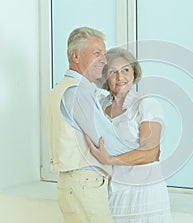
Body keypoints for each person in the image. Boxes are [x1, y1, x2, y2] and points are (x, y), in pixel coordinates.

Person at [46, 27, 159, 223]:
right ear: (76, 56)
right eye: (97, 53)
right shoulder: (78, 92)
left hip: (77, 184)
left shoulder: (63, 88)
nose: (104, 61)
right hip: (84, 183)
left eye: (104, 54)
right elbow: (105, 142)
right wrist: (146, 153)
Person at [86, 47, 173, 222]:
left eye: (125, 70)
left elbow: (151, 152)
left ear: (134, 73)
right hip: (114, 190)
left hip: (144, 193)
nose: (120, 77)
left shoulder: (146, 104)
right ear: (105, 77)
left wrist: (109, 160)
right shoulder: (101, 106)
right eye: (113, 72)